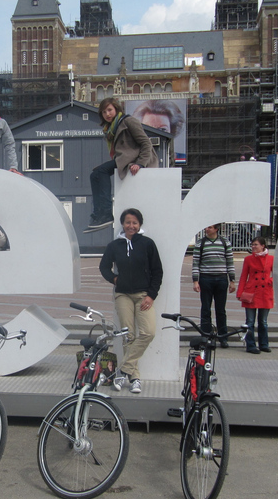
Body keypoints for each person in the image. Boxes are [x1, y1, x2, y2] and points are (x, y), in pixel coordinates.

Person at [99, 208, 163, 394]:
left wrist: (151, 295)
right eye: (128, 222)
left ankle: (122, 371)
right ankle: (135, 378)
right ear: (123, 224)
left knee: (148, 332)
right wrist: (114, 279)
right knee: (129, 336)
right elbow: (104, 267)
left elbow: (157, 271)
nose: (131, 226)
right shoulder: (114, 246)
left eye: (135, 222)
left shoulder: (147, 244)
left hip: (143, 295)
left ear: (140, 225)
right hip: (123, 295)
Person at [85, 98, 158, 233]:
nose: (107, 114)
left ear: (116, 109)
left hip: (133, 159)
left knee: (100, 172)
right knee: (95, 174)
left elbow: (146, 143)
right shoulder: (110, 129)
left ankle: (106, 214)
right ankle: (98, 214)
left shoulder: (128, 121)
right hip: (124, 159)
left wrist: (140, 163)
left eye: (110, 110)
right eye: (103, 112)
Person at [192, 224, 236, 348]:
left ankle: (223, 336)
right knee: (205, 309)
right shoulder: (200, 243)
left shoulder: (224, 242)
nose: (206, 229)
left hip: (221, 279)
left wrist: (232, 280)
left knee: (221, 310)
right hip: (206, 278)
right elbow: (195, 263)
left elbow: (230, 261)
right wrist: (195, 281)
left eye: (210, 227)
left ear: (216, 229)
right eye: (206, 227)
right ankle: (206, 335)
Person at [236, 237, 274, 354]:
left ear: (263, 246)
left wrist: (270, 281)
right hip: (251, 291)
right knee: (250, 321)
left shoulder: (271, 259)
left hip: (265, 292)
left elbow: (277, 274)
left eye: (256, 245)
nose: (253, 247)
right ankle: (251, 345)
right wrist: (240, 292)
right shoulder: (248, 259)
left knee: (263, 321)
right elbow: (243, 276)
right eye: (252, 245)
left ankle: (264, 344)